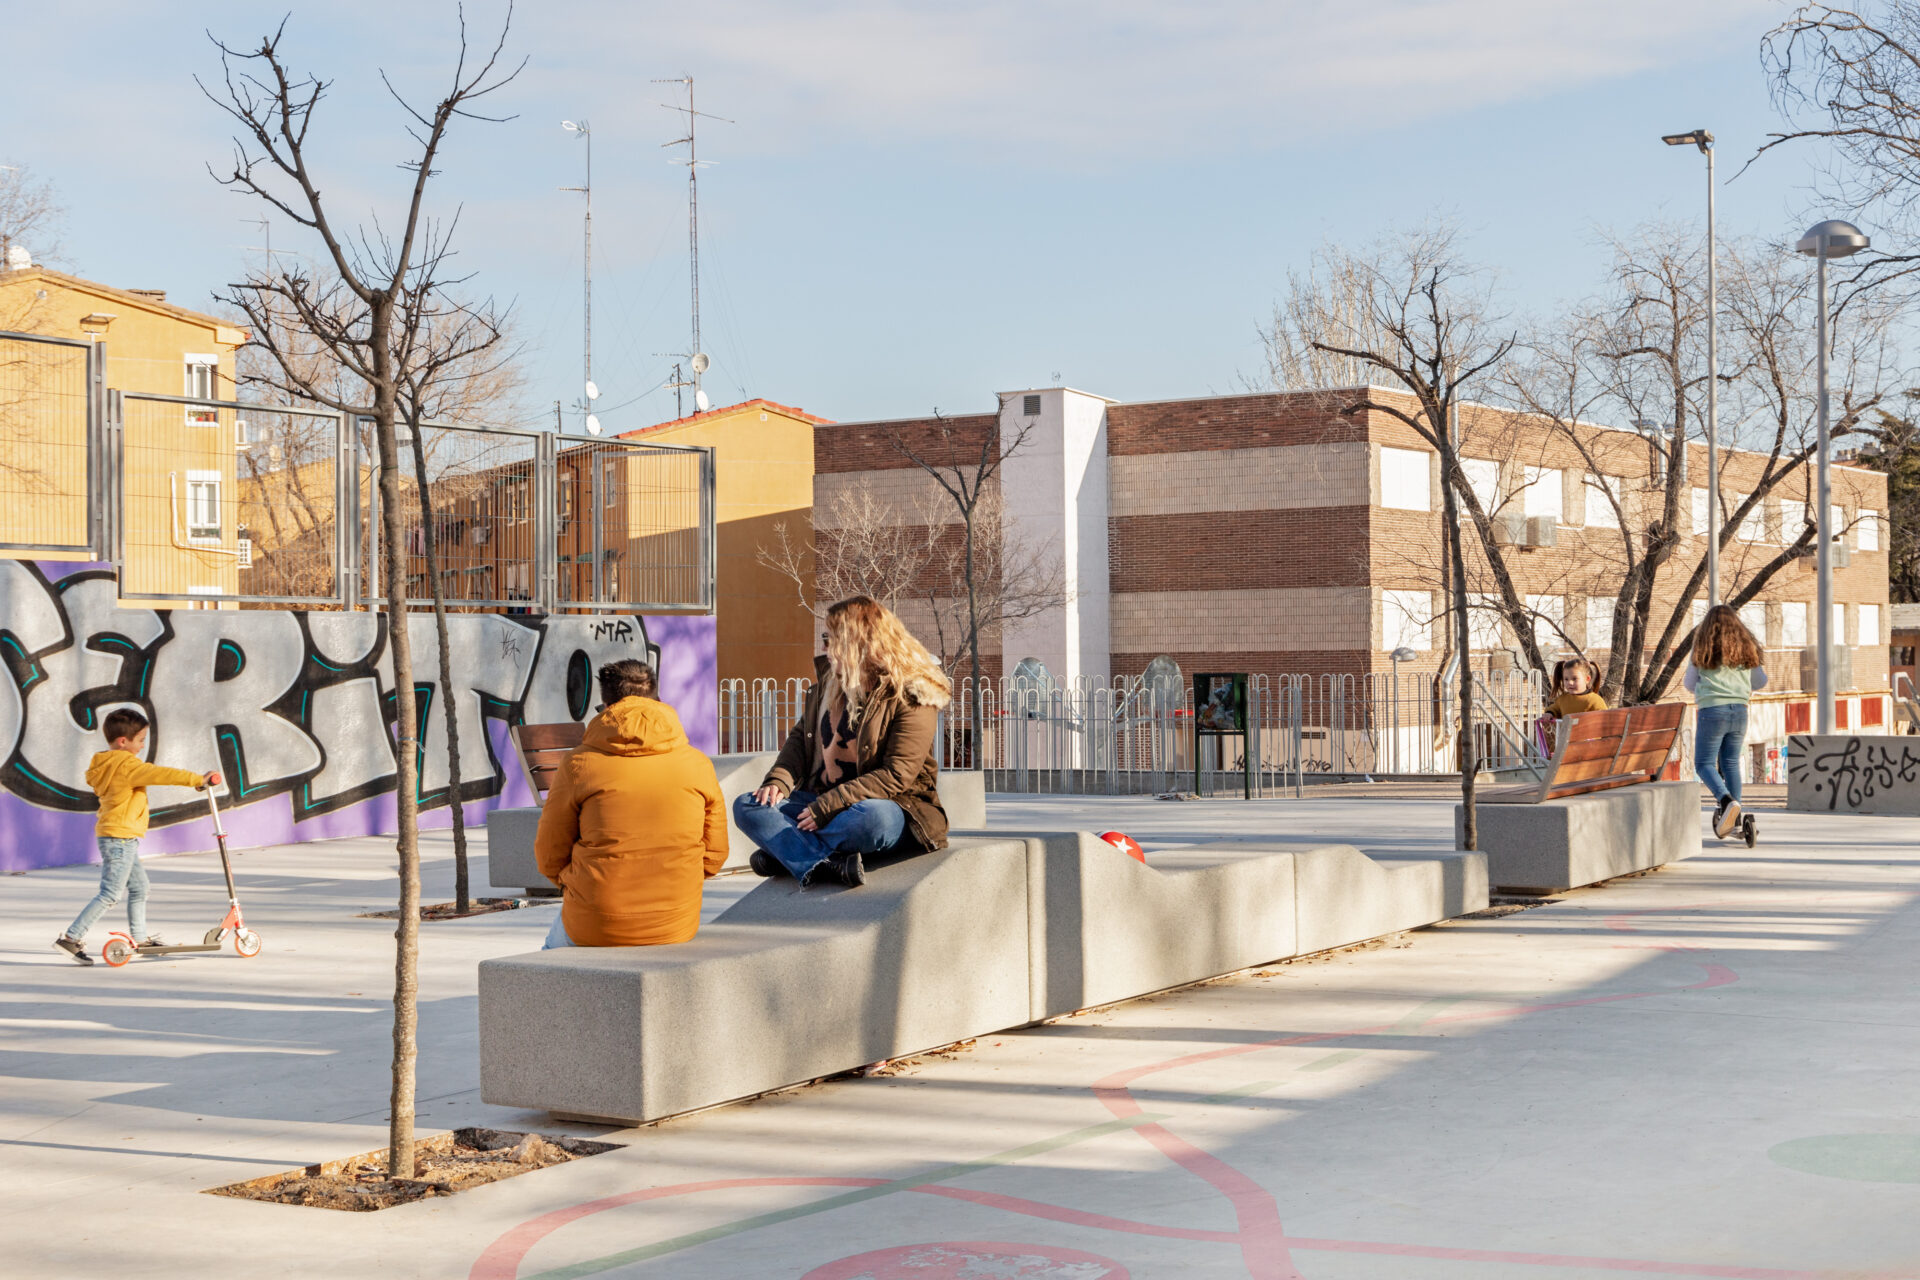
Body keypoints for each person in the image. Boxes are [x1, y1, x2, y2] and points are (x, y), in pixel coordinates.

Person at [734, 595, 953, 888]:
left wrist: (827, 807)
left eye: (831, 639)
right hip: (818, 801)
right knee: (748, 805)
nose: (825, 647)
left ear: (858, 642)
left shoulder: (912, 693)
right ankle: (821, 862)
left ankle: (788, 852)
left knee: (874, 821)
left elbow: (896, 775)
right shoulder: (828, 684)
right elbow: (800, 739)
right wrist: (778, 781)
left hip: (887, 805)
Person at [533, 659, 728, 948]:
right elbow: (715, 854)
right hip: (675, 922)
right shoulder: (697, 764)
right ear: (657, 698)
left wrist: (575, 880)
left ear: (605, 704)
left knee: (547, 957)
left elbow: (549, 854)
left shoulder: (578, 764)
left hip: (596, 921)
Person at [54, 707, 221, 965]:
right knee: (110, 894)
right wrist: (197, 780)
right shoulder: (127, 766)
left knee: (140, 887)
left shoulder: (106, 764)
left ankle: (140, 939)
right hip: (119, 839)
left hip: (119, 837)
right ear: (123, 741)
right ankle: (71, 938)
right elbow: (161, 774)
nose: (143, 745)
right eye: (141, 740)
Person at [1685, 604, 1768, 839]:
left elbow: (1689, 684)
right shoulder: (1746, 648)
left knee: (1704, 764)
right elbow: (1760, 681)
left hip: (1712, 711)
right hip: (1740, 711)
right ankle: (1736, 819)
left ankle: (1725, 800)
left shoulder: (1702, 648)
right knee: (1731, 763)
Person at [1534, 657, 1609, 755]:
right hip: (1567, 748)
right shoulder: (1563, 699)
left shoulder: (1594, 700)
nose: (1570, 682)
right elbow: (1554, 708)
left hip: (1588, 749)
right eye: (1566, 679)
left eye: (1574, 679)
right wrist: (1549, 713)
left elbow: (1605, 720)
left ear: (1587, 679)